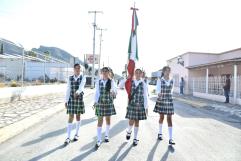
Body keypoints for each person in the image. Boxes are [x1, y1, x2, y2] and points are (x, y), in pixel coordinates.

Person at [94, 67, 117, 149]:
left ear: (108, 73)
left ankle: (107, 135)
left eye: (106, 71)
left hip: (108, 103)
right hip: (100, 103)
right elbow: (97, 92)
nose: (104, 73)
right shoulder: (98, 81)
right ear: (101, 72)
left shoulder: (111, 81)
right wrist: (95, 102)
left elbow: (115, 91)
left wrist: (113, 92)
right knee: (100, 120)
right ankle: (99, 139)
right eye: (103, 71)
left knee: (108, 119)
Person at [125, 68, 148, 146]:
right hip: (132, 104)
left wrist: (146, 107)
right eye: (136, 73)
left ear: (141, 74)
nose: (138, 74)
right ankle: (129, 131)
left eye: (139, 73)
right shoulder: (131, 82)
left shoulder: (144, 84)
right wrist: (127, 78)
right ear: (134, 74)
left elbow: (145, 96)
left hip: (140, 105)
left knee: (137, 121)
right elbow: (120, 85)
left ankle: (135, 138)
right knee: (131, 120)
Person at [64, 63, 86, 146]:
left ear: (80, 69)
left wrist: (77, 92)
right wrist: (66, 100)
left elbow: (81, 87)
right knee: (70, 116)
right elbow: (68, 89)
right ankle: (68, 137)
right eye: (76, 68)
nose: (77, 70)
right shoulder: (70, 78)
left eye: (79, 68)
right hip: (71, 100)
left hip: (79, 99)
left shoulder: (83, 77)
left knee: (78, 116)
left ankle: (76, 134)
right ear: (74, 69)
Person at [153, 66, 175, 145]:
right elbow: (157, 89)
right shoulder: (160, 80)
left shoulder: (172, 80)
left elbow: (171, 90)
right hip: (162, 100)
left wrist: (170, 97)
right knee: (161, 117)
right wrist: (159, 93)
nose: (168, 72)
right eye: (166, 71)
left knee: (169, 119)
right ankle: (160, 133)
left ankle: (171, 138)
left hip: (169, 100)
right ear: (163, 71)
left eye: (169, 71)